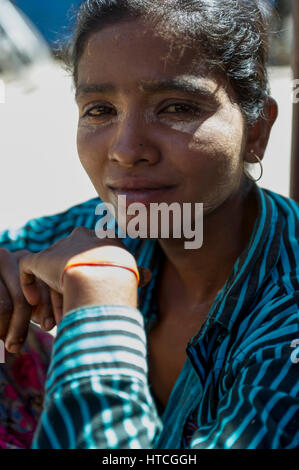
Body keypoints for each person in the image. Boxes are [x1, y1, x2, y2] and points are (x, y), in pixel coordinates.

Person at [0, 0, 299, 449]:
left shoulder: (287, 314)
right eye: (100, 110)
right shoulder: (97, 230)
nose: (127, 148)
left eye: (176, 107)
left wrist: (99, 295)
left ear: (256, 129)